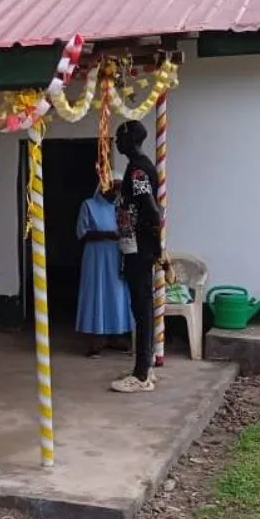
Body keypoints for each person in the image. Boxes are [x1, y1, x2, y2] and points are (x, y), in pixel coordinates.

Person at [110, 120, 163, 393]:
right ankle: (145, 367)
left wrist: (152, 242)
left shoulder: (139, 170)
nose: (116, 142)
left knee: (141, 309)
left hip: (139, 249)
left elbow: (152, 210)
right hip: (135, 247)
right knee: (140, 308)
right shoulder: (136, 167)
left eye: (120, 137)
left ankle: (142, 374)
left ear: (130, 139)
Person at [75, 172, 133, 357]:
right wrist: (106, 235)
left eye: (119, 190)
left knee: (116, 294)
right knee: (97, 294)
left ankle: (115, 335)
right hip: (96, 258)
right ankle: (96, 340)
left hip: (116, 255)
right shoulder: (89, 205)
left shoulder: (119, 208)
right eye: (114, 189)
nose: (117, 193)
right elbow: (82, 233)